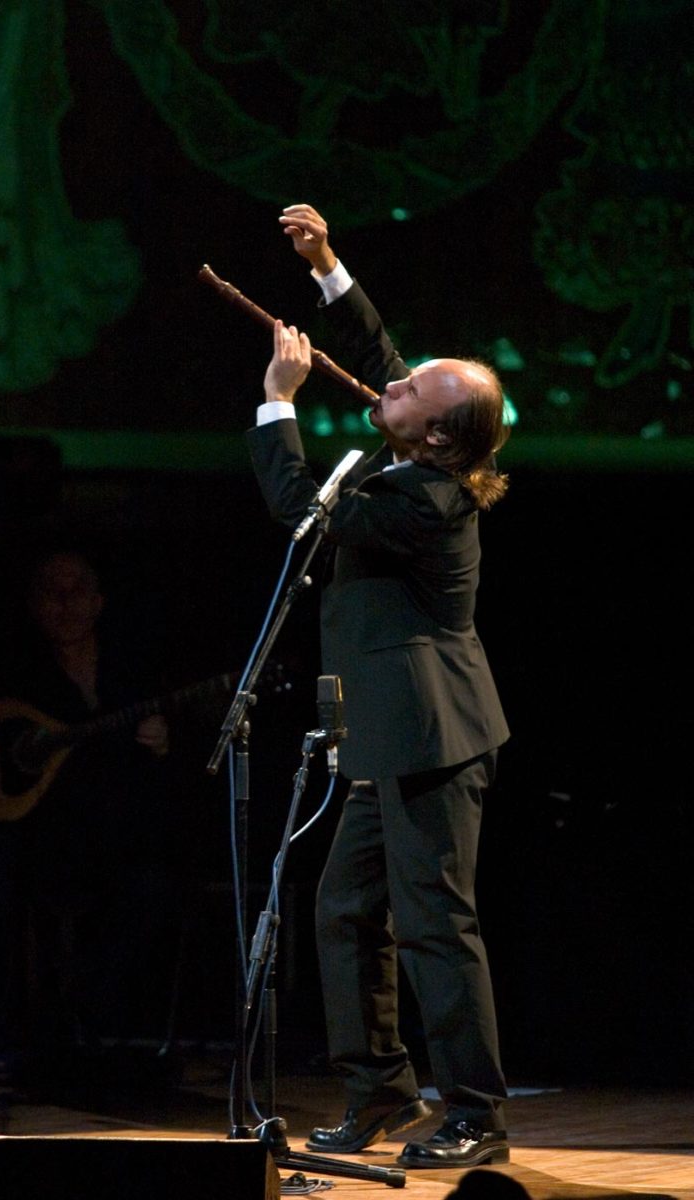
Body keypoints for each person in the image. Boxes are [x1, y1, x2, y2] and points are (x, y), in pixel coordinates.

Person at [244, 204, 511, 1168]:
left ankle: (478, 1112)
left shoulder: (424, 500)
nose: (390, 382)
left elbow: (293, 507)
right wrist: (326, 267)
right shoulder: (418, 452)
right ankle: (380, 1092)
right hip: (383, 730)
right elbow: (384, 353)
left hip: (432, 733)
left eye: (409, 393)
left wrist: (280, 397)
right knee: (345, 912)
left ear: (437, 437)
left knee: (437, 924)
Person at [0, 546, 176, 1062]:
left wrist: (165, 740)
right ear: (33, 604)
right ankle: (23, 1021)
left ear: (98, 602)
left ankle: (103, 1026)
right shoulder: (10, 671)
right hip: (44, 833)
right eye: (52, 592)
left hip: (119, 833)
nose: (65, 604)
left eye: (77, 592)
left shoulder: (132, 668)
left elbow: (170, 751)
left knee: (149, 888)